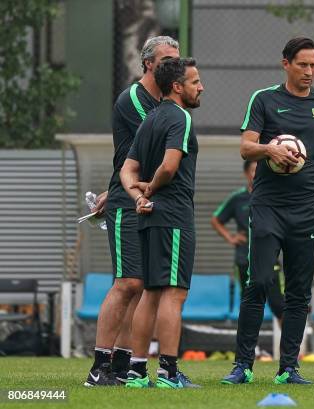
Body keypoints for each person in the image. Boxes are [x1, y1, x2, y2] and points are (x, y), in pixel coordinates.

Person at [221, 37, 314, 385]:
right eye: (303, 64)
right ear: (286, 64)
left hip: (308, 210)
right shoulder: (264, 99)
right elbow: (246, 147)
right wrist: (269, 151)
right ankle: (243, 365)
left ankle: (289, 368)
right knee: (258, 281)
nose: (309, 71)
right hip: (267, 207)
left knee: (298, 291)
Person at [84, 36, 179, 387]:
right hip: (128, 201)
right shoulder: (134, 100)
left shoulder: (165, 101)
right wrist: (117, 188)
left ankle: (122, 367)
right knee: (127, 283)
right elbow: (150, 149)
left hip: (147, 198)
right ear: (149, 64)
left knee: (142, 286)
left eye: (178, 60)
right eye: (168, 60)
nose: (175, 67)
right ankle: (99, 368)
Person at [120, 57, 203, 388]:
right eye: (196, 82)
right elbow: (169, 167)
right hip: (173, 216)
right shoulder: (179, 117)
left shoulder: (150, 119)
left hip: (151, 216)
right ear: (178, 87)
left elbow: (127, 170)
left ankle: (136, 372)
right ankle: (169, 373)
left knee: (151, 293)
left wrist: (139, 197)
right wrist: (152, 189)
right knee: (174, 294)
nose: (202, 87)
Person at [211, 160, 285, 326]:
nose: (256, 174)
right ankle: (251, 349)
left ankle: (289, 350)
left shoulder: (273, 195)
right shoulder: (238, 198)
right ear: (246, 173)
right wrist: (230, 237)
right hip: (244, 259)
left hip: (270, 259)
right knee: (249, 306)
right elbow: (216, 219)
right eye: (253, 170)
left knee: (279, 305)